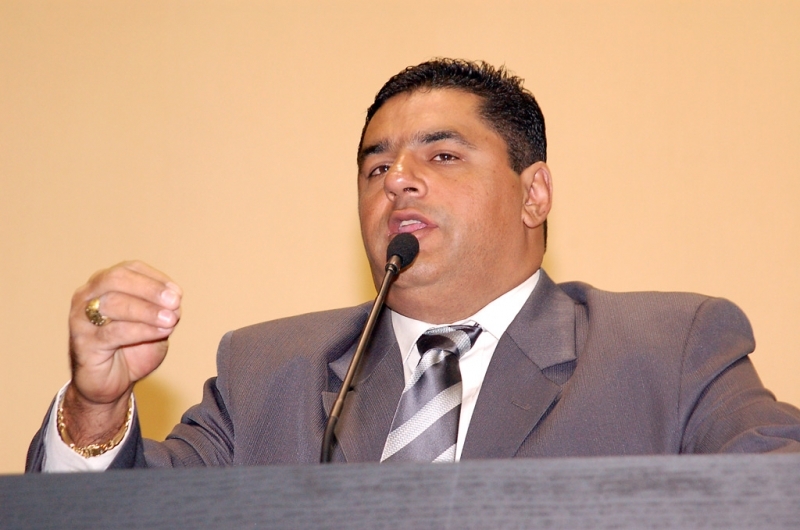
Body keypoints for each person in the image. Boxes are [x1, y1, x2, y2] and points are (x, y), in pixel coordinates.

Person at [27, 59, 800, 472]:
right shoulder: (268, 372)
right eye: (376, 167)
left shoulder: (668, 349)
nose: (397, 179)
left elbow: (775, 484)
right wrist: (96, 407)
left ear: (534, 194)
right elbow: (126, 516)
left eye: (442, 155)